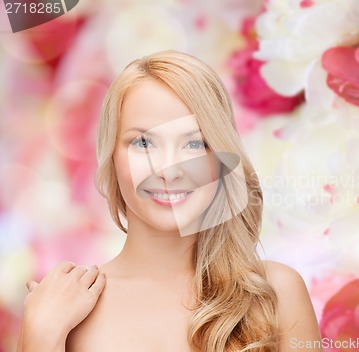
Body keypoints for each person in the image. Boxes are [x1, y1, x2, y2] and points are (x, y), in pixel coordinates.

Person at [17, 50, 322, 351]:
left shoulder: (276, 294)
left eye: (194, 143)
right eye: (144, 142)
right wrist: (41, 337)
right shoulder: (64, 308)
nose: (169, 171)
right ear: (111, 158)